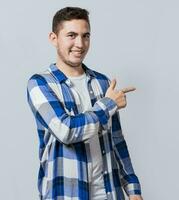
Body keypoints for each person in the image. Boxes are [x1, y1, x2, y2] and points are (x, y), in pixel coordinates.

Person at [26, 6, 143, 200]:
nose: (80, 44)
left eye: (85, 36)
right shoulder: (40, 83)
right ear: (54, 38)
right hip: (66, 193)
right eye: (71, 35)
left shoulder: (102, 83)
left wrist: (132, 188)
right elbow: (66, 130)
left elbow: (117, 140)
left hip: (109, 193)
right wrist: (108, 104)